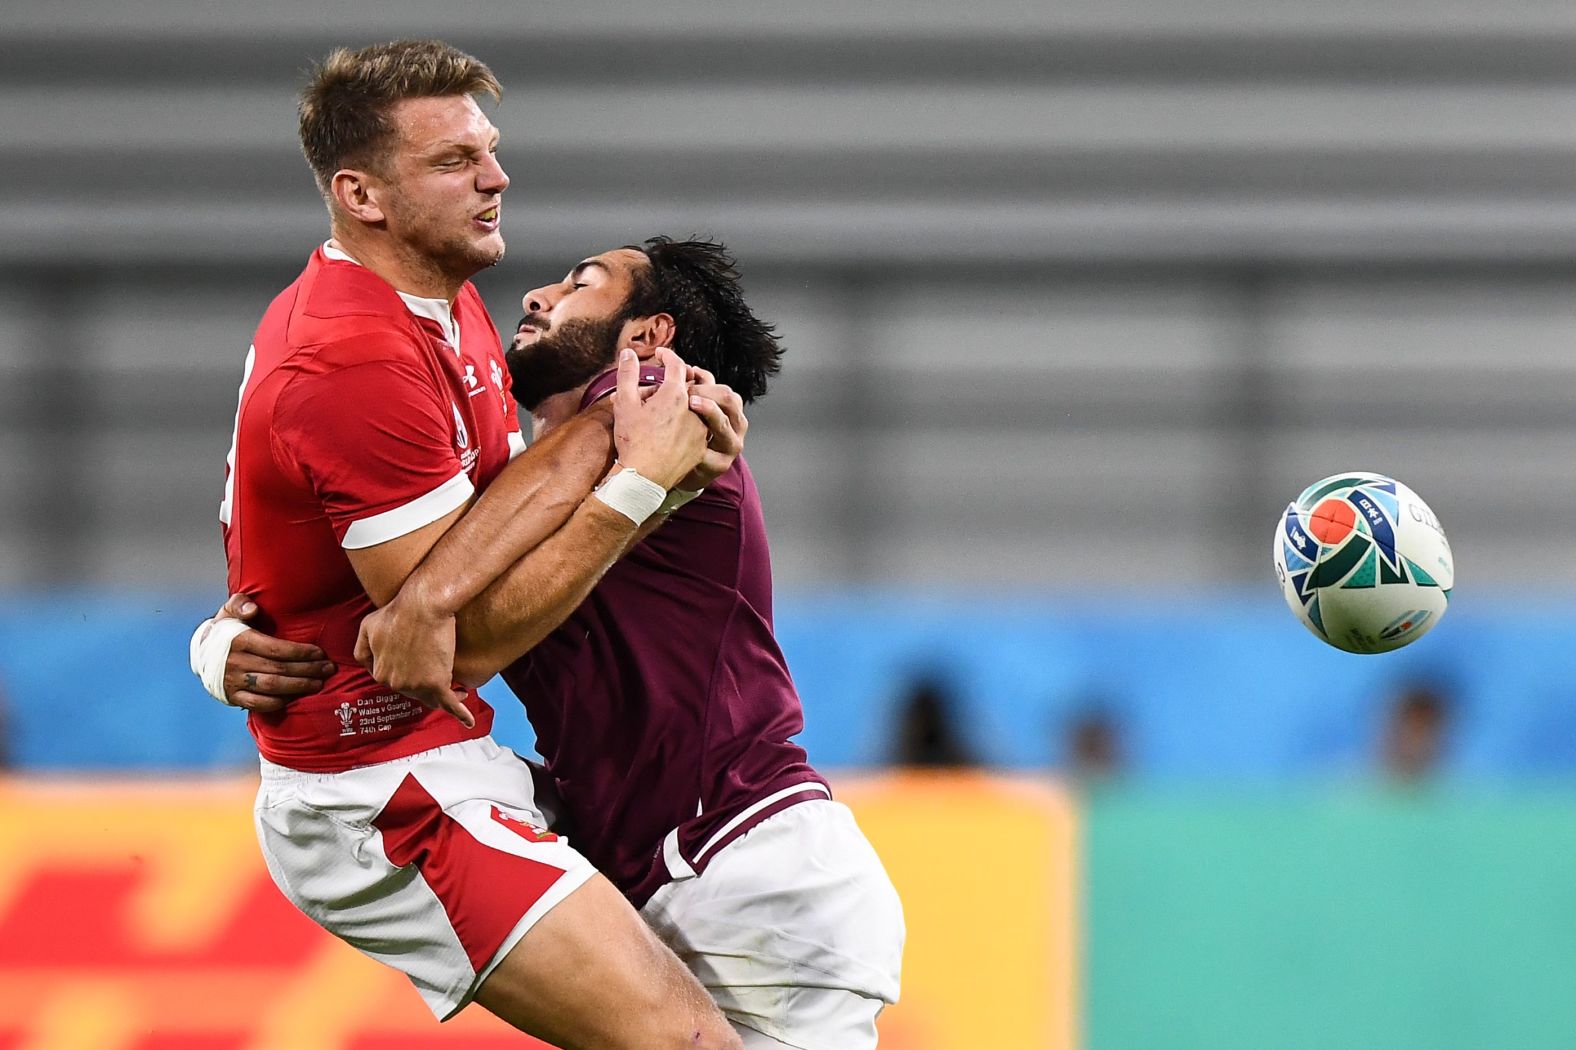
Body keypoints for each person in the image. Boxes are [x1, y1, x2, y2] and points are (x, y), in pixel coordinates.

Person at [213, 237, 905, 1049]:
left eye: (581, 284)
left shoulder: (667, 405)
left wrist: (422, 604)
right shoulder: (528, 483)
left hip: (743, 863)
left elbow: (452, 626)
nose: (537, 296)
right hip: (675, 865)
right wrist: (224, 641)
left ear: (649, 335)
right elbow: (386, 560)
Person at [191, 39, 744, 1049]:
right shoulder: (350, 355)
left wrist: (612, 445)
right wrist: (636, 479)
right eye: (453, 161)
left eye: (487, 150)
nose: (495, 178)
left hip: (452, 753)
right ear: (362, 195)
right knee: (684, 1038)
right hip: (378, 795)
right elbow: (450, 641)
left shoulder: (438, 301)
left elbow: (421, 523)